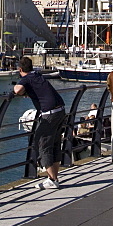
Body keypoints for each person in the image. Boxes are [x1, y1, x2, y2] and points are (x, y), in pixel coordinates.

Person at [14, 55, 66, 190]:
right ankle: (53, 178)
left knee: (41, 143)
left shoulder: (26, 78)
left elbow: (17, 89)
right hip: (60, 110)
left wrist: (19, 92)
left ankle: (52, 180)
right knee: (54, 143)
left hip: (49, 114)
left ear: (20, 69)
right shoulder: (37, 75)